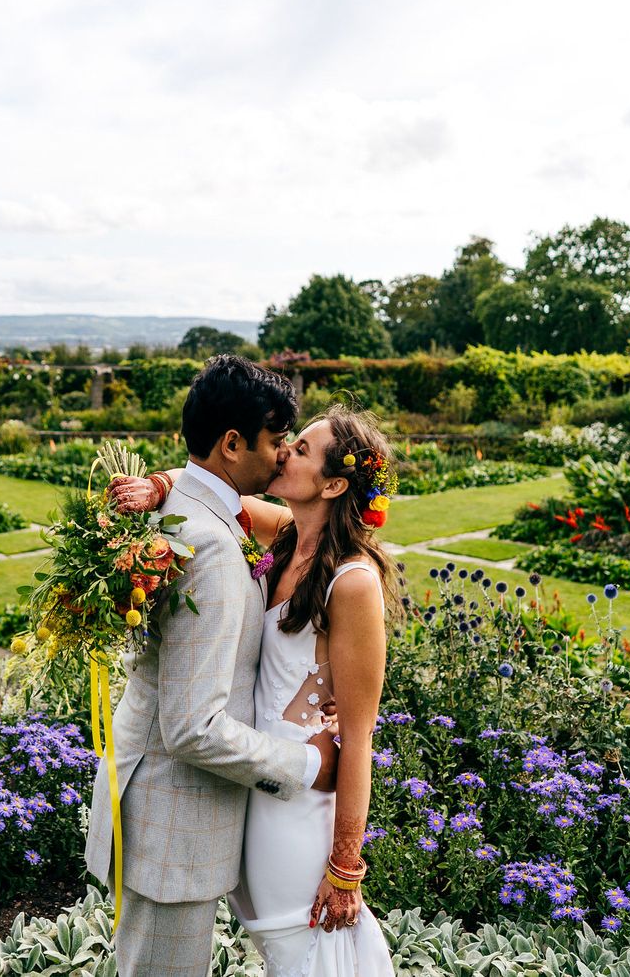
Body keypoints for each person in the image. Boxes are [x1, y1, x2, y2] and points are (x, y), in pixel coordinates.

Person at [113, 403, 398, 976]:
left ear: (335, 483)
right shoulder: (287, 534)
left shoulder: (354, 582)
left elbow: (359, 737)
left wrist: (345, 867)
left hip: (300, 801)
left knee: (301, 950)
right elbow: (211, 490)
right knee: (275, 948)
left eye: (301, 449)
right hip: (250, 778)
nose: (284, 450)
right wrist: (157, 483)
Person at [84, 354, 340, 977]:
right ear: (232, 444)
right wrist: (309, 765)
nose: (283, 455)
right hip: (174, 826)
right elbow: (195, 727)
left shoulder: (184, 513)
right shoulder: (217, 551)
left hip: (154, 809)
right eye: (277, 440)